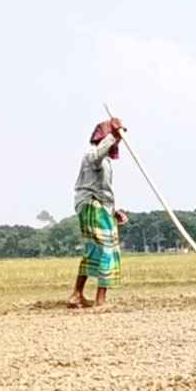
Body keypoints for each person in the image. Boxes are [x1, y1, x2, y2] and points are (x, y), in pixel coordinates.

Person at [69, 118, 128, 309]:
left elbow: (103, 191)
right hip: (92, 206)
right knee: (107, 249)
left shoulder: (106, 162)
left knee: (94, 250)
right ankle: (100, 300)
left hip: (98, 207)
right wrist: (114, 134)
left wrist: (113, 211)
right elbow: (97, 156)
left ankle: (77, 294)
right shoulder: (93, 156)